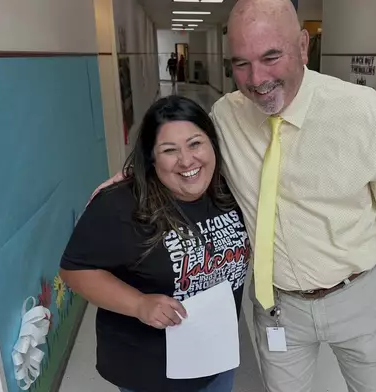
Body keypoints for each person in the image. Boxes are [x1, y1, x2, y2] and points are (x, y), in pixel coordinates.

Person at [91, 0, 376, 391]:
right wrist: (136, 174)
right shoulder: (226, 115)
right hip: (277, 306)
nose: (257, 79)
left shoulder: (364, 113)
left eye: (272, 56)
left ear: (303, 46)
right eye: (241, 63)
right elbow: (189, 157)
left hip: (358, 297)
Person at [60, 95, 250, 392]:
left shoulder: (232, 191)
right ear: (151, 157)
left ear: (213, 143)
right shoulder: (120, 205)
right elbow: (75, 270)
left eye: (195, 143)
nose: (187, 160)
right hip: (149, 371)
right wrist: (138, 304)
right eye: (169, 150)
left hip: (216, 359)